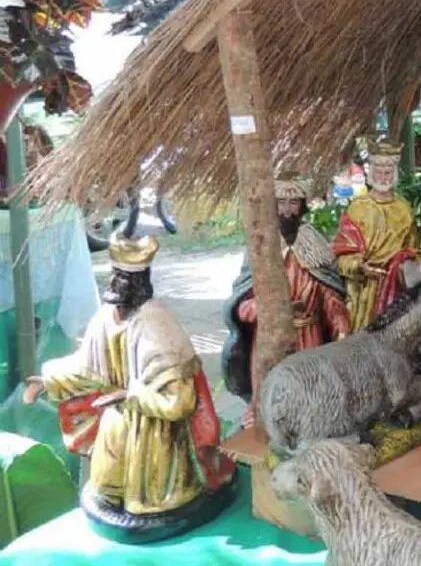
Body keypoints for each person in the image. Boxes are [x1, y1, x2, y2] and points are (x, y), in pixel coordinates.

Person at [23, 234, 235, 531]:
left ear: (141, 283)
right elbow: (88, 368)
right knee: (105, 489)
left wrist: (130, 395)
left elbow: (181, 401)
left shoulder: (158, 325)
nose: (118, 284)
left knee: (148, 503)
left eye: (127, 279)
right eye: (116, 276)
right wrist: (48, 380)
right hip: (115, 426)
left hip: (156, 436)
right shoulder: (106, 318)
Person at [222, 173, 351, 427]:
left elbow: (327, 293)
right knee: (271, 397)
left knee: (309, 394)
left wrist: (339, 322)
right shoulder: (261, 245)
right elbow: (242, 305)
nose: (287, 210)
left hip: (308, 337)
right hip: (270, 340)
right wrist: (264, 310)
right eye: (281, 202)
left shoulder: (314, 243)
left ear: (302, 206)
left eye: (293, 203)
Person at [333, 139, 421, 331]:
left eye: (388, 172)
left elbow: (414, 252)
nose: (383, 177)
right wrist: (360, 267)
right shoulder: (357, 209)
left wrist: (404, 265)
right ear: (371, 173)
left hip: (396, 292)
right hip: (363, 292)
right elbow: (341, 255)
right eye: (379, 172)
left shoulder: (404, 209)